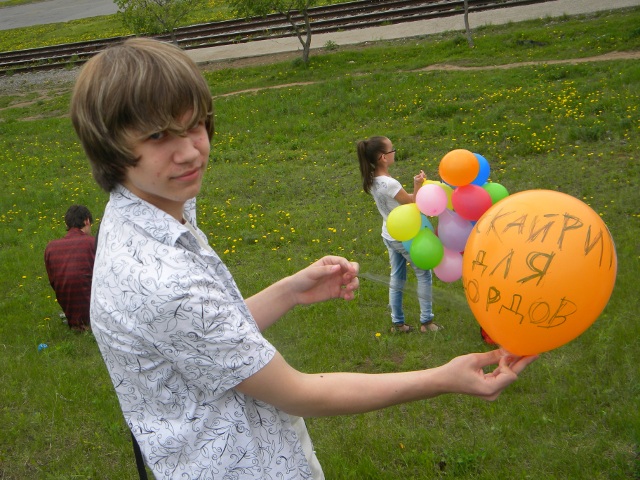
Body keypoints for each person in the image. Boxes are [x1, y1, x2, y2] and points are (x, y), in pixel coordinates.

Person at [70, 38, 536, 479]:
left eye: (194, 125)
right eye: (158, 136)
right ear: (110, 148)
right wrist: (444, 378)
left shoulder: (147, 210)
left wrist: (291, 290)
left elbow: (204, 336)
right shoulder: (160, 279)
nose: (190, 151)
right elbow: (299, 392)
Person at [357, 136, 441, 333]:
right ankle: (427, 322)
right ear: (383, 157)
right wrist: (418, 184)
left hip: (389, 234)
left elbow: (401, 202)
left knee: (396, 278)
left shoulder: (372, 179)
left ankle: (398, 323)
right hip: (405, 236)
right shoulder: (390, 183)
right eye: (391, 149)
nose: (394, 152)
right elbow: (412, 203)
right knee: (423, 274)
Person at [44, 204, 95, 331]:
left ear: (67, 224)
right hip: (94, 313)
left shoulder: (50, 248)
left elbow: (54, 282)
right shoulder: (92, 243)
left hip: (70, 312)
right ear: (87, 221)